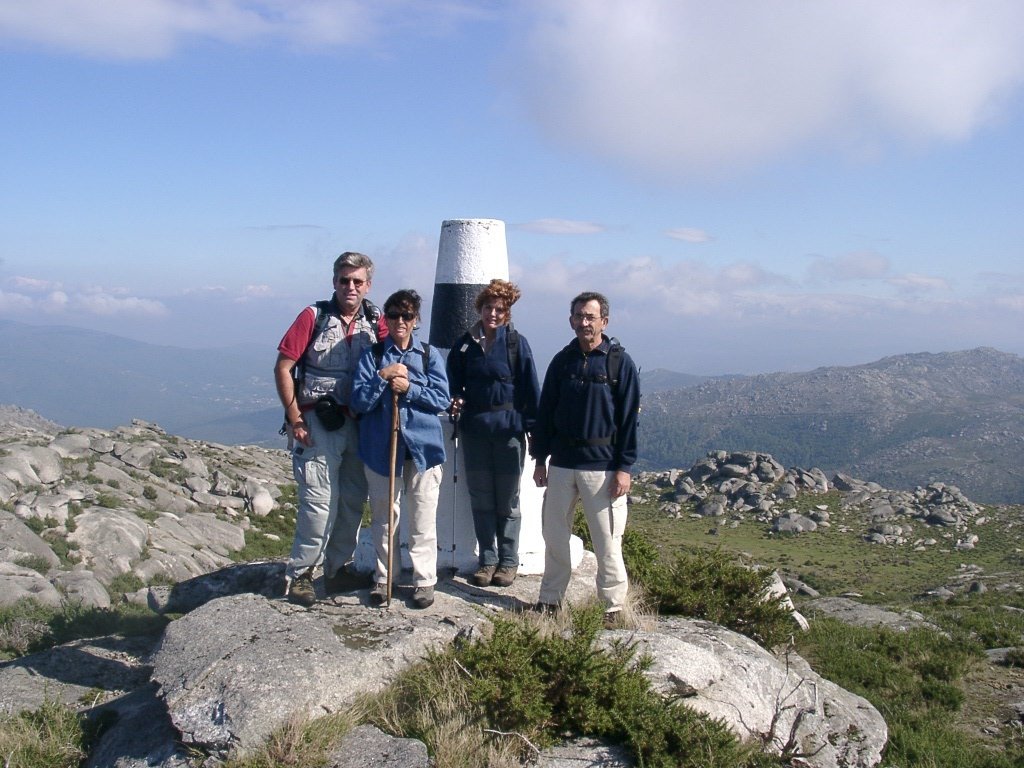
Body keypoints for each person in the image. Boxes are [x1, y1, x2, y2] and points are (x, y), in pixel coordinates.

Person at [274, 251, 387, 607]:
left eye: (357, 281)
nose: (350, 287)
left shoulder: (376, 319)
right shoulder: (314, 316)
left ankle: (336, 570)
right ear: (334, 281)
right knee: (319, 503)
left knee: (353, 501)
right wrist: (294, 418)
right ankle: (303, 575)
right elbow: (283, 367)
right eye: (344, 280)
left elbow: (395, 354)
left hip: (361, 424)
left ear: (368, 285)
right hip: (317, 423)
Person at [531, 291, 641, 626]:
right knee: (554, 535)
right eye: (579, 316)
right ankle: (550, 601)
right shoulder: (562, 361)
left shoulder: (619, 362)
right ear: (571, 321)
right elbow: (545, 411)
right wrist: (539, 459)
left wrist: (624, 468)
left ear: (604, 322)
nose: (584, 322)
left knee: (607, 539)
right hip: (562, 463)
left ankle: (612, 606)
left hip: (602, 467)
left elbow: (628, 420)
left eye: (590, 317)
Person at [350, 289, 450, 609]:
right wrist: (384, 377)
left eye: (407, 315)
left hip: (423, 450)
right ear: (386, 319)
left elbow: (440, 400)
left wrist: (409, 387)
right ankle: (384, 578)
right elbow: (359, 401)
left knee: (422, 518)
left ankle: (423, 581)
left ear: (416, 319)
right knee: (383, 518)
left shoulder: (428, 355)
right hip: (382, 448)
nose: (400, 321)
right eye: (393, 315)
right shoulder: (374, 355)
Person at [446, 279, 540, 588]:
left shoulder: (516, 344)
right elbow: (451, 382)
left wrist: (533, 434)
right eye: (489, 308)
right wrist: (456, 400)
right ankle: (487, 560)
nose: (494, 314)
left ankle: (508, 561)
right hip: (474, 432)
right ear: (480, 308)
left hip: (509, 433)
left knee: (508, 501)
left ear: (508, 312)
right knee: (481, 498)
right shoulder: (465, 344)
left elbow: (530, 390)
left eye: (500, 309)